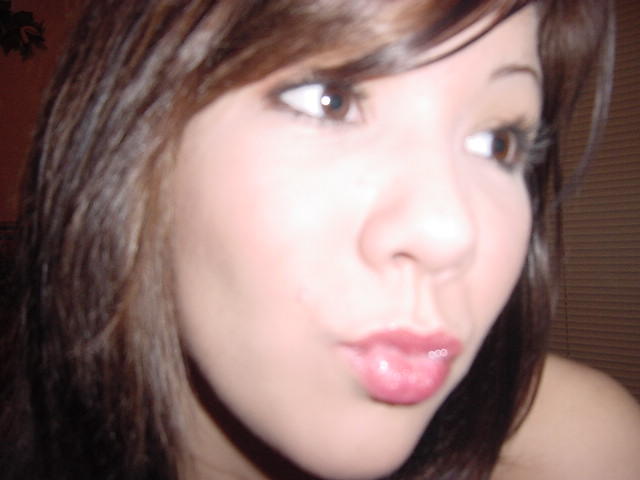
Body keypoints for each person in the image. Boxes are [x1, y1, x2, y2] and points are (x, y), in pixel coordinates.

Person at [2, 1, 639, 479]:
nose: (450, 234)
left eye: (497, 141)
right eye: (330, 101)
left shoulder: (586, 454)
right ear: (131, 141)